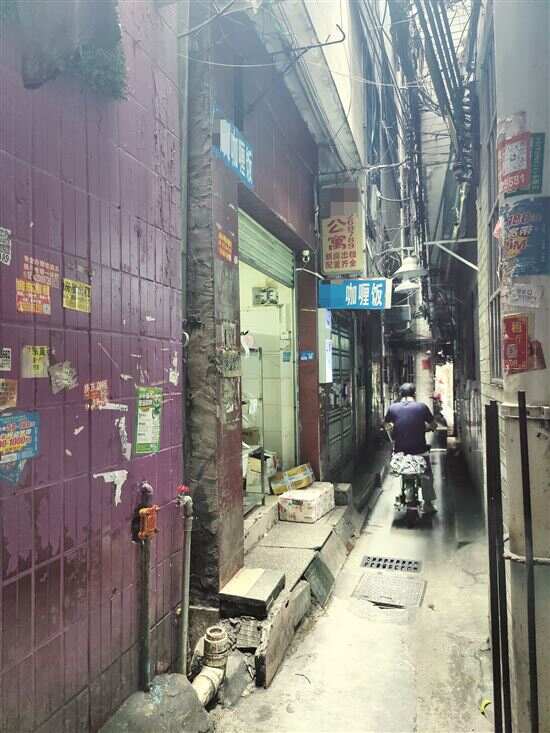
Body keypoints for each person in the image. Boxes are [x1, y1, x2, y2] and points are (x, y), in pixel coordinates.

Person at [384, 382, 438, 514]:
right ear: (414, 394)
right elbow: (433, 425)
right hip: (419, 451)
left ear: (400, 394)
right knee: (427, 474)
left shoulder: (393, 408)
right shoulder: (422, 407)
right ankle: (428, 504)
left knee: (398, 469)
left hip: (400, 452)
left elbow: (386, 425)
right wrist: (427, 428)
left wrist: (393, 432)